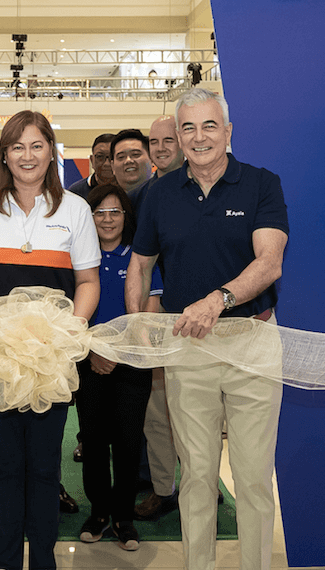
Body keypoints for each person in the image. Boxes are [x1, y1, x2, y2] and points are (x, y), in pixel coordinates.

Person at [125, 88, 289, 570]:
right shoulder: (159, 194)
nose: (199, 137)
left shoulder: (261, 184)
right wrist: (138, 322)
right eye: (189, 128)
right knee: (196, 474)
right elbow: (139, 265)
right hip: (187, 347)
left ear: (228, 131)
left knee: (253, 476)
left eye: (209, 126)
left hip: (252, 340)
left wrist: (218, 300)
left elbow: (270, 261)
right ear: (178, 136)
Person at [0, 110, 100, 570]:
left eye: (37, 146)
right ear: (4, 155)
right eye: (17, 146)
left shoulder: (75, 209)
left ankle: (45, 563)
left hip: (52, 361)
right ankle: (7, 562)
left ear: (51, 151)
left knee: (44, 467)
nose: (27, 155)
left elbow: (88, 282)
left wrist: (68, 332)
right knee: (6, 466)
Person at [76, 183, 162, 552]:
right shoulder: (80, 258)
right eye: (100, 212)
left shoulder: (140, 257)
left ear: (127, 217)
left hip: (132, 363)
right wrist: (95, 351)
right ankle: (98, 512)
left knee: (128, 443)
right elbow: (72, 311)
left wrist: (120, 351)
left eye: (115, 212)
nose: (108, 219)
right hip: (89, 361)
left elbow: (151, 313)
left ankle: (123, 518)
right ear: (88, 217)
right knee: (93, 441)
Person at [131, 114, 186, 520]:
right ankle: (165, 488)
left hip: (206, 315)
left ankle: (198, 482)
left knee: (196, 408)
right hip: (159, 313)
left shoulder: (208, 187)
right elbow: (143, 259)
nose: (162, 147)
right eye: (155, 141)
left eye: (170, 139)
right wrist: (147, 307)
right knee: (158, 407)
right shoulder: (146, 194)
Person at [68, 133, 115, 201]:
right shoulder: (75, 193)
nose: (107, 163)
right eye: (100, 156)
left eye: (112, 157)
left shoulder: (131, 189)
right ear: (92, 160)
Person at [110, 129, 152, 193]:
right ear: (112, 167)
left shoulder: (168, 194)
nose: (128, 160)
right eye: (121, 157)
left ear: (151, 159)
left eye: (135, 154)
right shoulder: (105, 201)